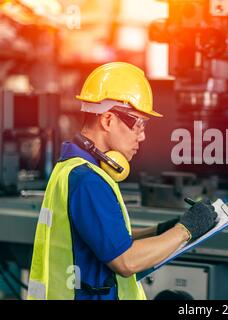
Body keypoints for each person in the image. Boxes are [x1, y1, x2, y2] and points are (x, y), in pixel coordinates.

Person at [27, 62, 217, 300]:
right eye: (139, 124)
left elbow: (108, 238)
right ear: (107, 120)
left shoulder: (72, 167)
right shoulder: (88, 180)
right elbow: (125, 261)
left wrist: (160, 231)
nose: (143, 135)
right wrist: (184, 231)